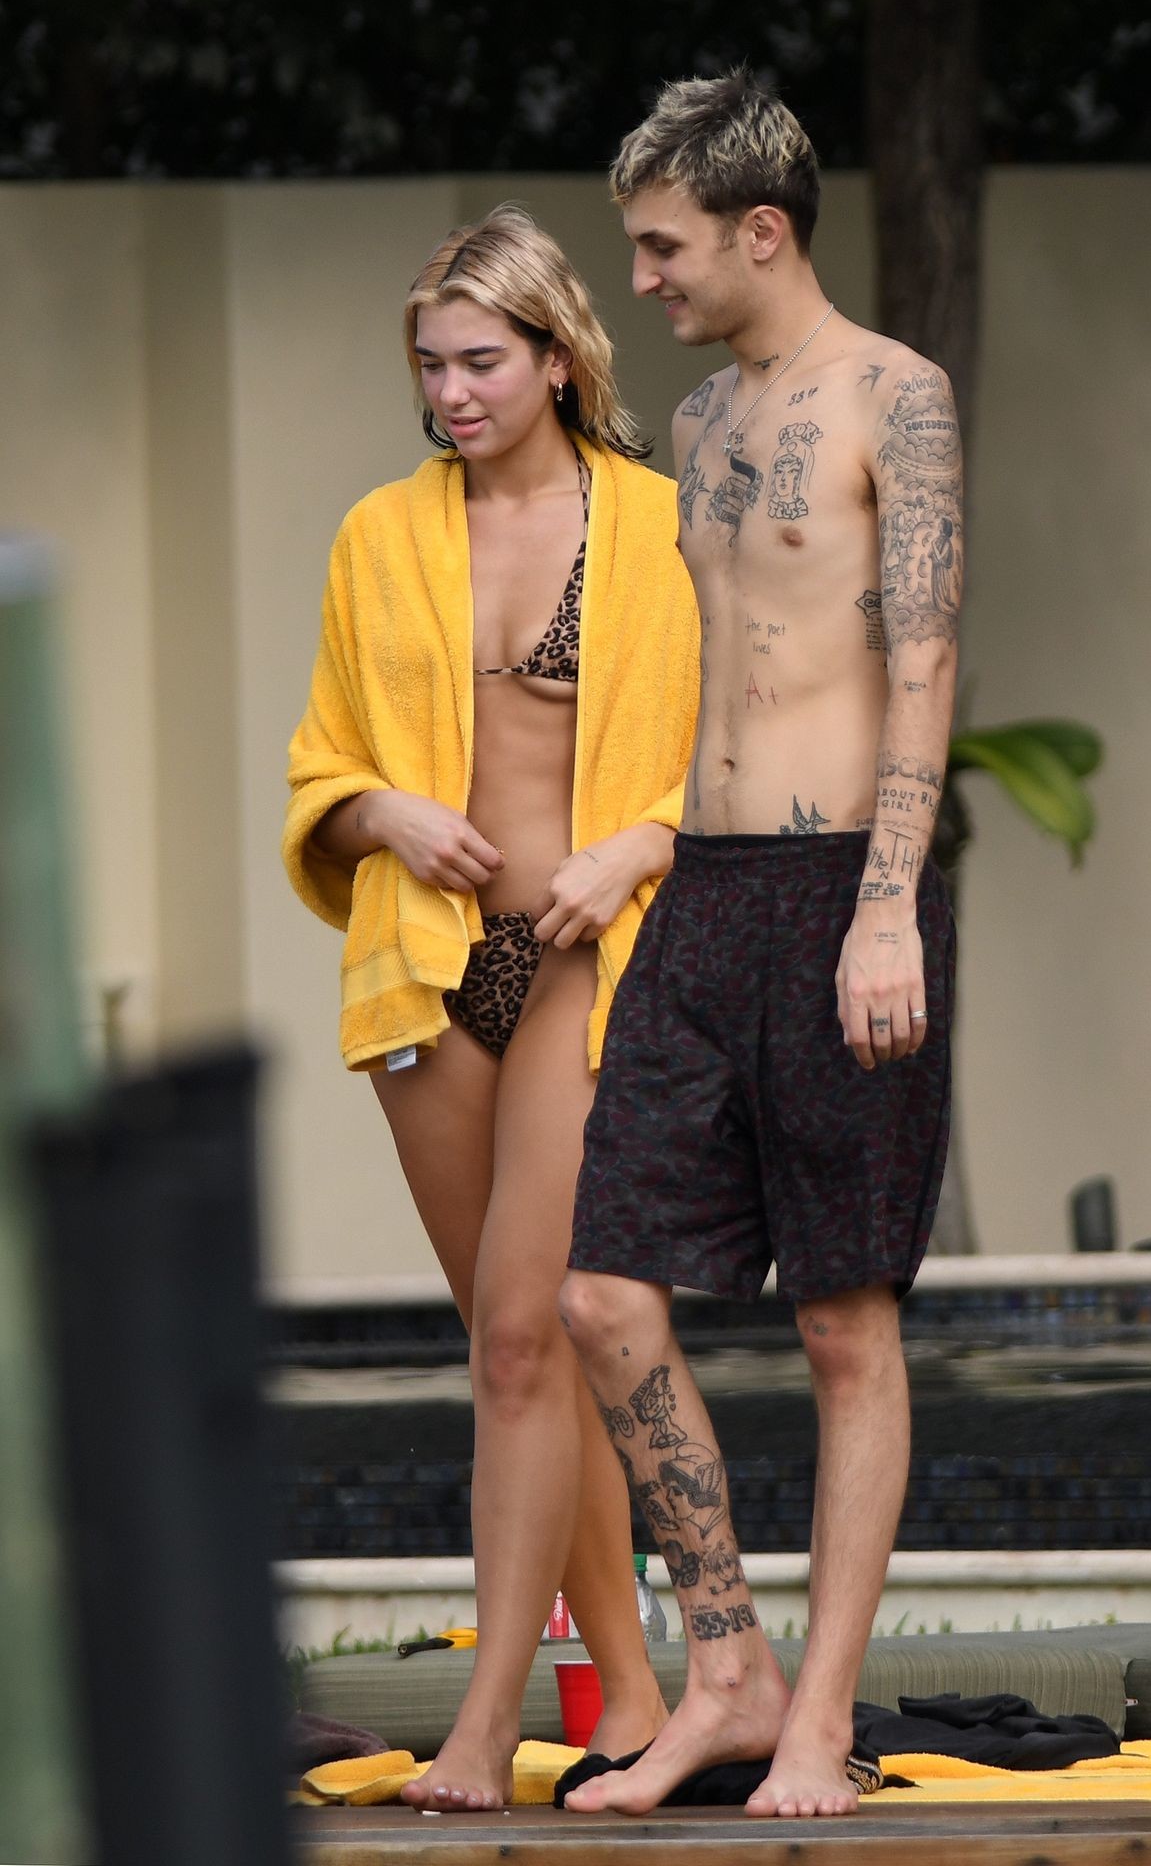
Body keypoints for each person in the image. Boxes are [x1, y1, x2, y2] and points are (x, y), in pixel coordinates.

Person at [558, 74, 960, 1819]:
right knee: (600, 1294)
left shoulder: (896, 396)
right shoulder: (702, 418)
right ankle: (727, 1674)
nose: (641, 277)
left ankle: (820, 1721)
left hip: (839, 894)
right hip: (704, 893)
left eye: (663, 247)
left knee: (843, 1328)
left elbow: (922, 659)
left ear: (761, 231)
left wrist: (886, 902)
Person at [282, 205, 700, 1810]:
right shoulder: (378, 536)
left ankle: (483, 1727)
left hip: (586, 952)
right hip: (431, 964)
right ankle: (631, 1696)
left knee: (529, 1334)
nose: (450, 393)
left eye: (480, 362)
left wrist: (639, 845)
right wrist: (383, 813)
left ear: (556, 357)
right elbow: (323, 768)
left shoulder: (660, 524)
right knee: (516, 1352)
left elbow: (738, 754)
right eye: (430, 365)